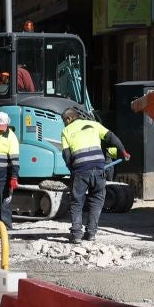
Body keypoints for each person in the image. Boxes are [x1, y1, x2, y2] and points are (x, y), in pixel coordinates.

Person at [59, 105, 125, 244]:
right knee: (96, 200)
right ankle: (91, 233)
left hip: (81, 170)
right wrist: (123, 152)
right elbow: (111, 137)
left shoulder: (66, 130)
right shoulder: (94, 124)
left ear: (69, 118)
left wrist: (72, 170)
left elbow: (66, 154)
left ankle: (76, 234)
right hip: (99, 169)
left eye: (64, 120)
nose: (64, 123)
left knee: (77, 202)